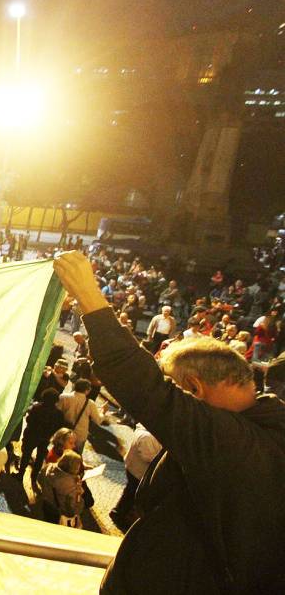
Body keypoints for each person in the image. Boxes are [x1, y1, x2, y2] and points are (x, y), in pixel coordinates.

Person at [54, 250, 285, 593]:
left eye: (174, 388)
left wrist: (89, 294)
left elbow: (142, 385)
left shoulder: (238, 442)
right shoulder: (256, 432)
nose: (172, 398)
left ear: (192, 388)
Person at [109, 423, 162, 532]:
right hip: (137, 471)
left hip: (133, 467)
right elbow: (148, 457)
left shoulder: (144, 431)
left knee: (129, 492)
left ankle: (120, 512)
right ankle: (119, 514)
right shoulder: (147, 437)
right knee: (131, 494)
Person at [18, 388, 64, 488]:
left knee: (26, 454)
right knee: (40, 458)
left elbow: (29, 420)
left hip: (32, 435)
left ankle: (21, 474)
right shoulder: (59, 414)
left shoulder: (36, 408)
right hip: (46, 438)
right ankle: (34, 477)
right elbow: (58, 426)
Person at [56, 378, 105, 456]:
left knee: (58, 454)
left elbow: (57, 411)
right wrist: (103, 412)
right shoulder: (90, 403)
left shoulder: (63, 397)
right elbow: (98, 420)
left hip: (64, 432)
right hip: (79, 436)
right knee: (75, 457)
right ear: (87, 390)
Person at [38, 450, 85, 525]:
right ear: (73, 467)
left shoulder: (49, 466)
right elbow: (75, 508)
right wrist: (79, 491)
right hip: (59, 511)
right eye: (78, 466)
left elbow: (39, 479)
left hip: (46, 503)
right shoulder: (71, 485)